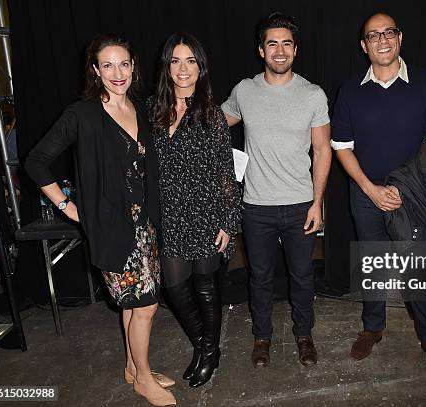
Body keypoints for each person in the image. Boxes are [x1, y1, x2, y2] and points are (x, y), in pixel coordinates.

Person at [25, 34, 177, 407]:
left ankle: (133, 368)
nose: (117, 72)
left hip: (145, 227)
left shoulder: (140, 109)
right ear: (95, 70)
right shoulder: (83, 114)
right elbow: (35, 161)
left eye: (123, 63)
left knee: (132, 304)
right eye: (107, 65)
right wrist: (68, 207)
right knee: (145, 306)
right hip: (111, 227)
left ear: (133, 66)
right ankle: (143, 379)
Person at [331, 12, 426, 375]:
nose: (382, 40)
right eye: (373, 35)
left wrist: (402, 187)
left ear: (400, 38)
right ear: (363, 45)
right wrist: (371, 189)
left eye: (389, 32)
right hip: (366, 196)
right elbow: (341, 146)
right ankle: (373, 327)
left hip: (414, 198)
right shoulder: (350, 90)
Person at [221, 12, 331, 368]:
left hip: (301, 204)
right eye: (273, 44)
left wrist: (318, 203)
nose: (280, 51)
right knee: (260, 277)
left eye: (286, 43)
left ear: (295, 50)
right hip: (256, 207)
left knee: (302, 277)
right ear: (261, 50)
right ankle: (262, 337)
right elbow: (214, 126)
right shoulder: (244, 90)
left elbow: (322, 150)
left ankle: (304, 335)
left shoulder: (313, 94)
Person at [147, 33, 240, 388]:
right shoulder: (153, 110)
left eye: (190, 61)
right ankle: (207, 346)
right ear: (167, 66)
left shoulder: (212, 115)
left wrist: (228, 223)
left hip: (205, 215)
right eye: (176, 61)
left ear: (201, 67)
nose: (183, 68)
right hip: (169, 216)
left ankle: (208, 350)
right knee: (174, 287)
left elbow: (225, 175)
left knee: (204, 288)